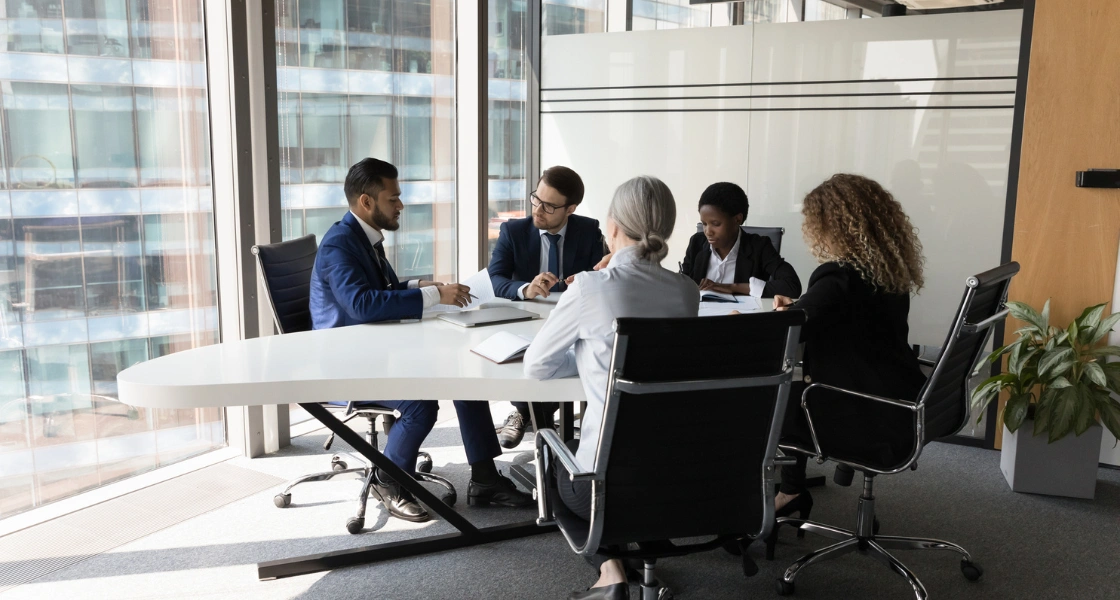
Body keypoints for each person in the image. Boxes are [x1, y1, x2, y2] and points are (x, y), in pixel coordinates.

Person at [310, 158, 531, 523]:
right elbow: (362, 304)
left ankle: (485, 480)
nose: (401, 205)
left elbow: (382, 289)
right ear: (366, 201)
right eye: (393, 198)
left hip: (377, 348)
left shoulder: (364, 237)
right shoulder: (340, 245)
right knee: (420, 404)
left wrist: (420, 286)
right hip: (348, 362)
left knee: (466, 380)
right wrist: (434, 296)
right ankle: (388, 480)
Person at [524, 176, 699, 600]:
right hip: (676, 480)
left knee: (551, 457)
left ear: (613, 225)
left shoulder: (590, 287)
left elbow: (538, 366)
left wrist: (588, 354)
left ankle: (609, 569)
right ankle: (638, 549)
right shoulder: (686, 292)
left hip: (602, 487)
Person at [772, 173, 927, 532]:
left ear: (832, 226)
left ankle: (783, 492)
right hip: (900, 400)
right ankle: (792, 490)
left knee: (771, 398)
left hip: (859, 408)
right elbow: (842, 315)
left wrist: (772, 316)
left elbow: (785, 333)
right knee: (793, 390)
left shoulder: (837, 277)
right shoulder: (886, 270)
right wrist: (798, 307)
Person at [489, 166, 606, 448]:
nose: (538, 210)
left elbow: (603, 275)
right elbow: (495, 278)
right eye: (536, 199)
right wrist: (525, 289)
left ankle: (534, 416)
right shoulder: (513, 231)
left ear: (570, 209)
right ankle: (528, 413)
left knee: (580, 352)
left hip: (572, 319)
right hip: (528, 318)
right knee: (530, 356)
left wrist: (586, 280)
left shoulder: (588, 230)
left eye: (549, 206)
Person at [680, 181, 801, 299]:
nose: (708, 231)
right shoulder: (696, 243)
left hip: (741, 312)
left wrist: (733, 287)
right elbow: (681, 287)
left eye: (716, 224)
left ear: (737, 219)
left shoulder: (759, 247)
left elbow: (792, 286)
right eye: (704, 224)